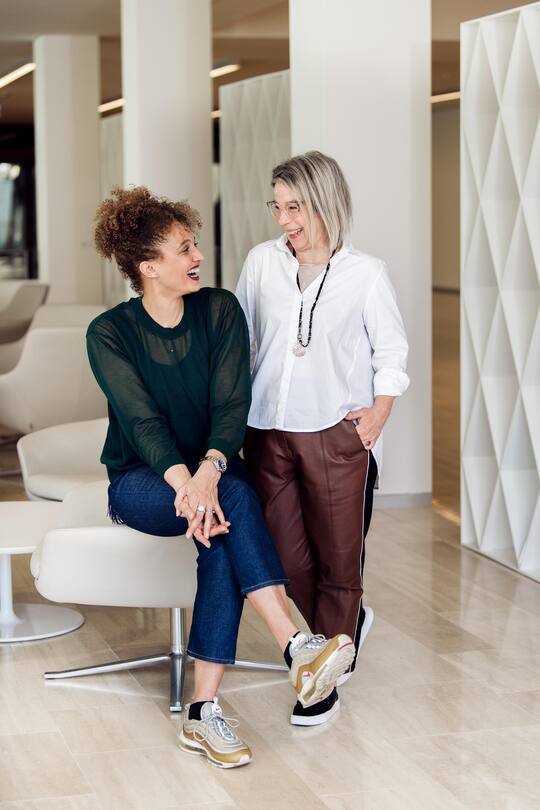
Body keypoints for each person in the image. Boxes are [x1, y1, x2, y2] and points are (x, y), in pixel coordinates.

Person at [87, 186, 355, 769]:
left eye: (195, 245)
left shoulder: (220, 310)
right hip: (141, 481)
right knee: (227, 499)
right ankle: (295, 645)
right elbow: (141, 422)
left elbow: (234, 403)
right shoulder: (109, 333)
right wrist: (189, 485)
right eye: (184, 248)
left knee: (222, 526)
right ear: (147, 266)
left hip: (212, 474)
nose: (198, 257)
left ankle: (202, 713)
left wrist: (207, 472)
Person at [236, 151, 409, 727]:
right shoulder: (262, 262)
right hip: (267, 428)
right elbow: (242, 339)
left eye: (296, 207)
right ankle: (346, 627)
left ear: (325, 203)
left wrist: (379, 413)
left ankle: (320, 688)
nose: (284, 220)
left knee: (339, 561)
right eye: (277, 207)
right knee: (283, 556)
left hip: (336, 431)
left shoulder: (366, 274)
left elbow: (391, 352)